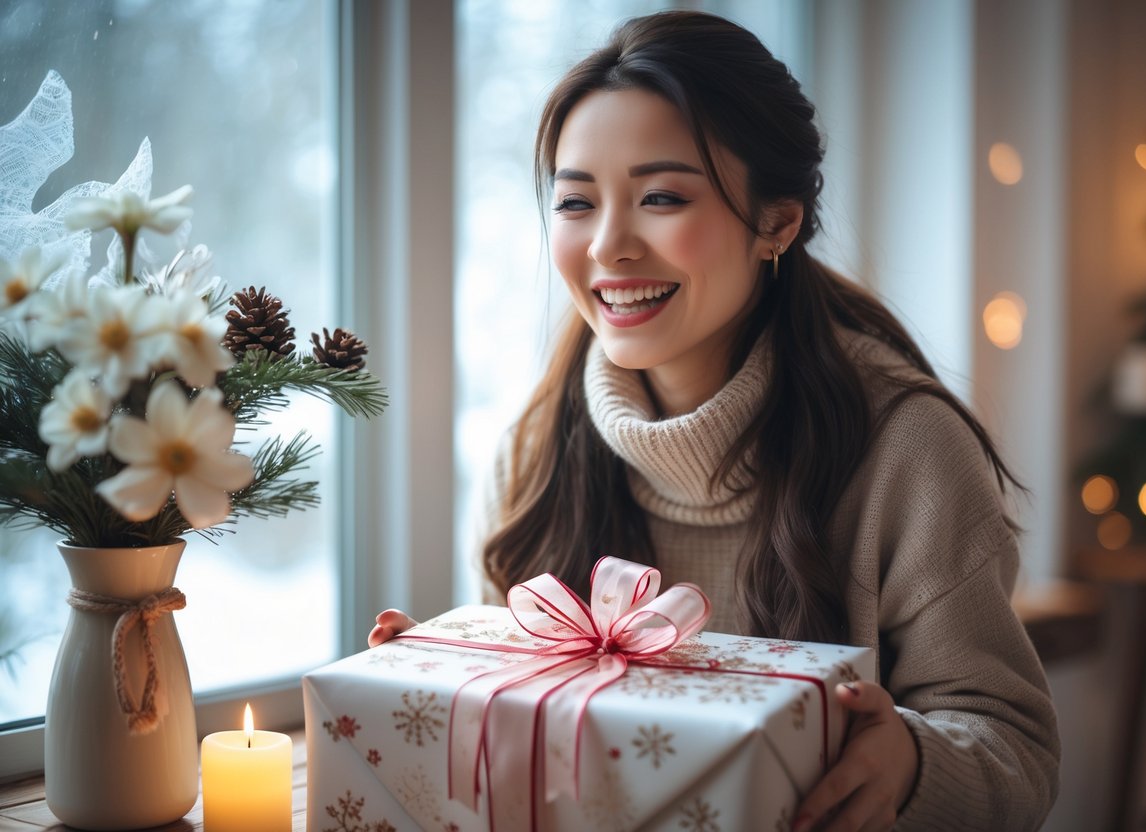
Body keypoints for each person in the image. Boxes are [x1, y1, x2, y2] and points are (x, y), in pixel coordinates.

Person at [370, 10, 1059, 831]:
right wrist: (454, 684)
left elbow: (1012, 749)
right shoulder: (532, 454)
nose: (609, 247)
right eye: (576, 202)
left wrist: (910, 760)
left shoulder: (906, 450)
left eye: (661, 197)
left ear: (776, 221)